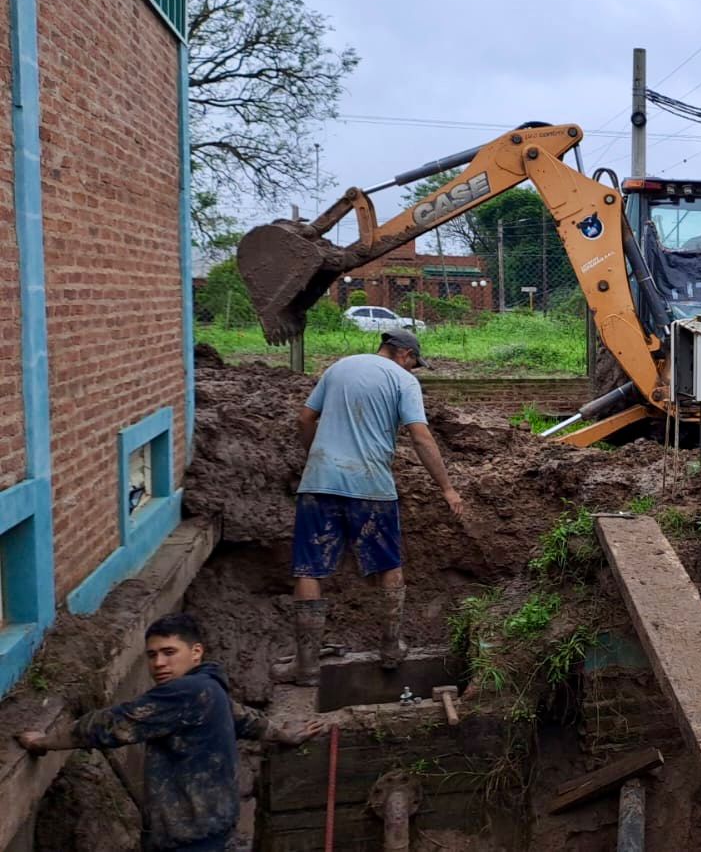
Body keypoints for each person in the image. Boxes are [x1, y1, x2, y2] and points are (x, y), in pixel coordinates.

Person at [15, 613, 324, 852]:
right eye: (151, 655)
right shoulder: (209, 688)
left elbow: (110, 724)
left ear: (196, 652)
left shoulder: (185, 692)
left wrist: (44, 741)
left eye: (169, 652)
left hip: (189, 837)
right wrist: (281, 733)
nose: (159, 663)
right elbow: (243, 717)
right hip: (213, 828)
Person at [289, 329, 465, 686]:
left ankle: (306, 667)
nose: (414, 370)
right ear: (404, 354)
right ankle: (390, 647)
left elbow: (304, 419)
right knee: (388, 563)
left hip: (319, 482)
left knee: (309, 567)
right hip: (371, 486)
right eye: (415, 363)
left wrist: (316, 457)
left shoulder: (338, 368)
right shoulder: (403, 380)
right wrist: (447, 489)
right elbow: (419, 435)